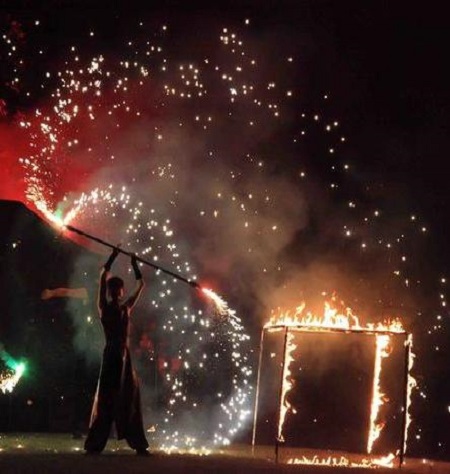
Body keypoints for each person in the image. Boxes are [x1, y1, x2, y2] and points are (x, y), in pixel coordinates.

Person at [84, 248, 150, 455]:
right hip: (115, 355)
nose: (118, 291)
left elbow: (139, 284)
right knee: (108, 399)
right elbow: (106, 276)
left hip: (122, 357)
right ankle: (96, 445)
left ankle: (138, 445)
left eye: (118, 288)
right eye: (117, 288)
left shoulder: (122, 308)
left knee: (127, 397)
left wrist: (131, 262)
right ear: (116, 291)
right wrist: (124, 259)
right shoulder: (107, 307)